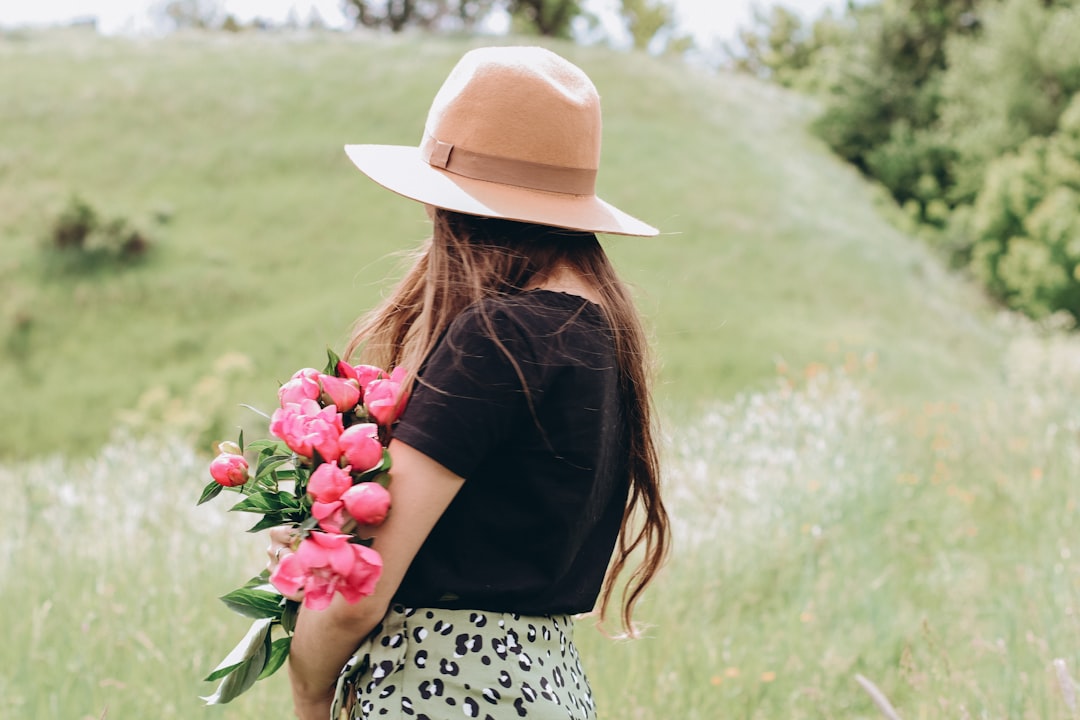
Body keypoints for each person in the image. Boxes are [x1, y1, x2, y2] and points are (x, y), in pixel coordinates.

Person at [267, 45, 670, 720]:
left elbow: (359, 592)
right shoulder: (600, 334)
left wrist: (309, 691)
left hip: (443, 690)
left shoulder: (500, 338)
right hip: (547, 688)